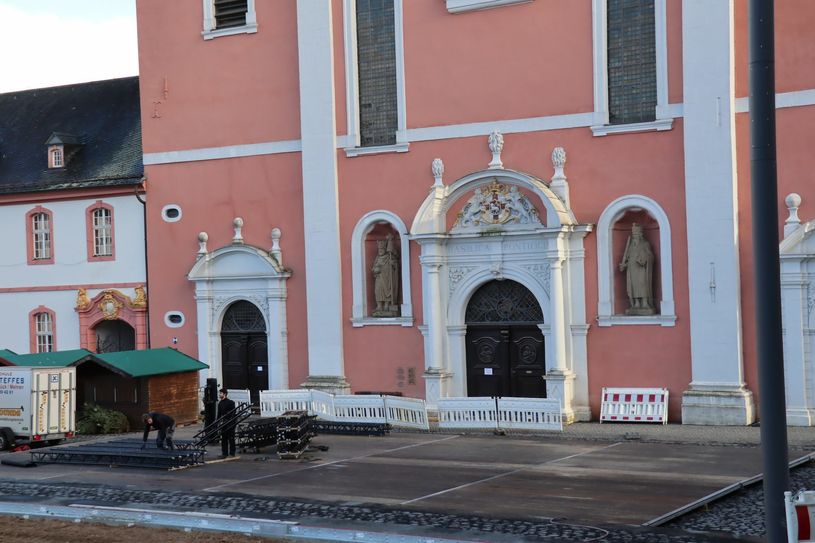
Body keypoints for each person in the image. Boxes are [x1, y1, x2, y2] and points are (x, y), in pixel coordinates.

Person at [618, 223, 655, 315]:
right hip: (631, 270)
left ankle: (645, 302)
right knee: (633, 286)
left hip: (641, 268)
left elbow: (650, 255)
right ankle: (636, 303)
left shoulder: (645, 244)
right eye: (633, 235)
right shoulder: (630, 246)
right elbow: (628, 258)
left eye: (636, 235)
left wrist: (644, 259)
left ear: (640, 235)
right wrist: (624, 265)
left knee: (642, 284)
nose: (634, 237)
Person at [217, 388, 237, 458]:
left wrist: (229, 420)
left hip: (230, 423)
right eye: (219, 393)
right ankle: (224, 453)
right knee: (224, 439)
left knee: (231, 439)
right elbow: (219, 415)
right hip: (224, 424)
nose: (219, 394)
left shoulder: (231, 402)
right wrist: (217, 423)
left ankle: (232, 453)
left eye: (221, 393)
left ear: (224, 394)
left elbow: (233, 413)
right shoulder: (220, 403)